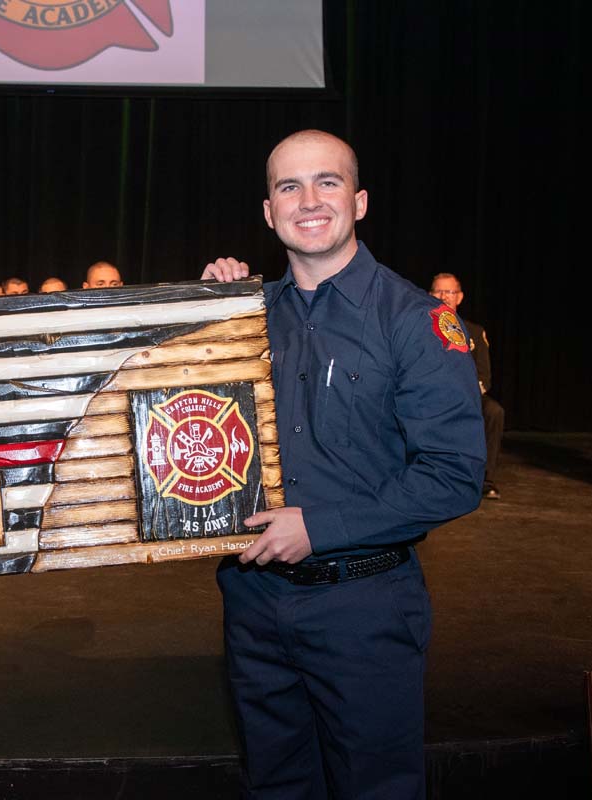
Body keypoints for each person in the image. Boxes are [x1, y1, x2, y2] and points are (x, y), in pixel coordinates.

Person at [201, 129, 484, 799]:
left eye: (327, 182)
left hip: (365, 612)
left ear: (358, 202)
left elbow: (453, 474)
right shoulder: (243, 320)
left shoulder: (416, 321)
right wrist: (208, 307)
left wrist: (320, 527)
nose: (309, 200)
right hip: (253, 603)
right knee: (276, 787)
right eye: (288, 186)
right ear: (269, 212)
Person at [430, 273, 505, 499]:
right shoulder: (418, 328)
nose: (444, 296)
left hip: (467, 397)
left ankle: (485, 480)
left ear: (459, 297)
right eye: (438, 291)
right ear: (429, 295)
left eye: (449, 292)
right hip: (429, 395)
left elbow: (484, 376)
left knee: (493, 412)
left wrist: (462, 397)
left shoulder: (474, 332)